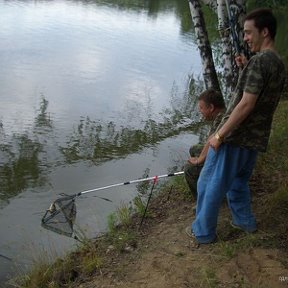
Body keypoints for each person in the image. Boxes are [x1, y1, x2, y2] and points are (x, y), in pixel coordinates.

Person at [186, 8, 286, 244]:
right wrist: (245, 67)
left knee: (209, 183)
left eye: (249, 33)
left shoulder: (260, 62)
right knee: (237, 182)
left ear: (265, 31)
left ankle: (202, 233)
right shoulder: (277, 63)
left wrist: (219, 135)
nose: (245, 38)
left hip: (236, 137)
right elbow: (261, 95)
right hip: (254, 139)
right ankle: (243, 221)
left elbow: (247, 104)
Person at [184, 89, 226, 201]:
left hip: (225, 158)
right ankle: (209, 184)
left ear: (211, 107)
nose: (200, 111)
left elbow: (212, 141)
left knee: (189, 169)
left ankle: (203, 201)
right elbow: (210, 139)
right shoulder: (221, 114)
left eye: (201, 108)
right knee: (194, 149)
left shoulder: (221, 119)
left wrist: (199, 160)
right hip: (222, 151)